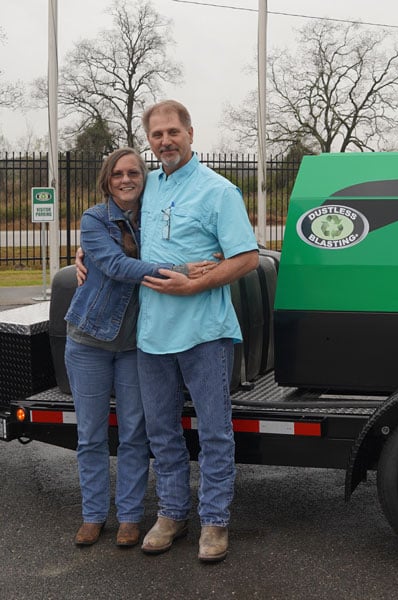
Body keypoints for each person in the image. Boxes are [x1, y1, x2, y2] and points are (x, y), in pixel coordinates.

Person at [65, 148, 215, 548]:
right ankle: (94, 515)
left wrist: (212, 256)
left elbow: (182, 239)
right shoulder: (95, 218)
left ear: (143, 178)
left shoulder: (152, 215)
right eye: (118, 174)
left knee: (134, 433)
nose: (126, 179)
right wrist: (179, 271)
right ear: (107, 179)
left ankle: (130, 517)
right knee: (92, 435)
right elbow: (116, 266)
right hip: (89, 340)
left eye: (134, 172)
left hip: (136, 344)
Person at [136, 100, 259, 563]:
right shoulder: (145, 186)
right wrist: (87, 254)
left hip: (205, 332)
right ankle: (172, 513)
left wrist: (197, 284)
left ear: (191, 133)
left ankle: (214, 522)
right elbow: (113, 228)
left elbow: (245, 257)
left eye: (173, 132)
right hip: (152, 334)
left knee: (213, 432)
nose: (165, 141)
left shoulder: (218, 191)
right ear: (149, 141)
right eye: (156, 134)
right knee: (162, 431)